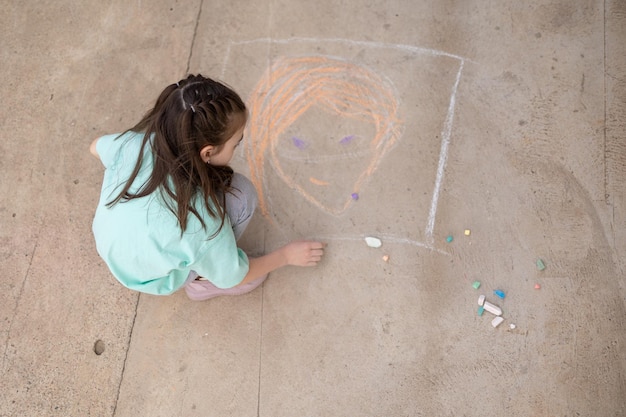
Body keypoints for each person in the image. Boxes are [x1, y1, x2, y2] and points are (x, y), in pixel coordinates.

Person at [89, 74, 325, 301]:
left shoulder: (135, 142)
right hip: (151, 276)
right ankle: (201, 282)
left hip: (116, 249)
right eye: (236, 142)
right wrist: (286, 256)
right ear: (207, 152)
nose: (238, 146)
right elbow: (234, 276)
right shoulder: (200, 225)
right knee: (242, 194)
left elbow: (95, 146)